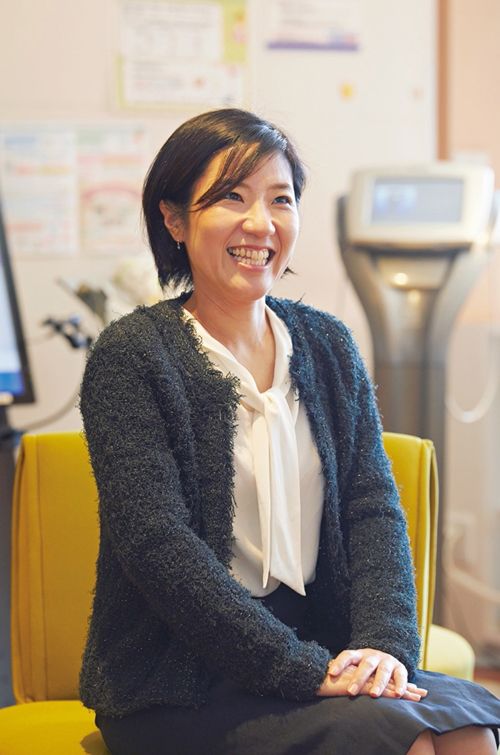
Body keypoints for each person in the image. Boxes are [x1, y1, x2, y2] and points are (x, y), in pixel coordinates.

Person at [79, 108, 500, 755]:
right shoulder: (132, 356)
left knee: (470, 731)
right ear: (174, 219)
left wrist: (382, 647)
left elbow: (371, 507)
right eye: (231, 197)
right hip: (180, 678)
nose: (261, 223)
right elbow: (156, 546)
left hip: (318, 648)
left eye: (280, 199)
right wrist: (301, 668)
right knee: (400, 742)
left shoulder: (326, 344)